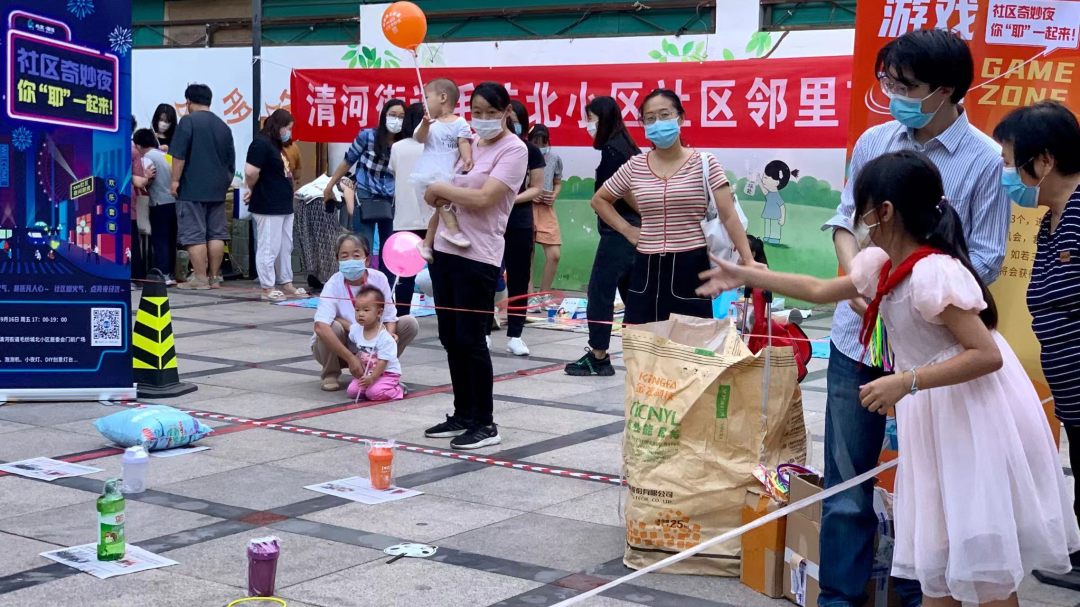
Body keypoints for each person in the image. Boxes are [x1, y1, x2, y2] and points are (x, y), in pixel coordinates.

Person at [700, 150, 1079, 607]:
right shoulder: (882, 262)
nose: (857, 221)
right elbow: (820, 290)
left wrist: (906, 381)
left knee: (982, 559)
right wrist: (748, 274)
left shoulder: (934, 272)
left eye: (862, 210)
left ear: (884, 211)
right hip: (933, 409)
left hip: (970, 413)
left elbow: (986, 355)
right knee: (937, 557)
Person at [817, 29, 1010, 607]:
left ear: (944, 90)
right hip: (857, 342)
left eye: (906, 86)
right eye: (888, 82)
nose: (893, 95)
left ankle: (918, 593)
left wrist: (903, 291)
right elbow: (846, 222)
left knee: (931, 484)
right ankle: (838, 598)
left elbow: (986, 257)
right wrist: (860, 278)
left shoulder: (983, 159)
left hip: (930, 356)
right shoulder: (874, 140)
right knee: (846, 483)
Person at [994, 100, 1080, 565]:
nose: (1007, 175)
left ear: (1044, 161)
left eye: (1011, 163)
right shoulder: (1052, 219)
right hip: (1070, 391)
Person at [420, 82, 528, 450]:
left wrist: (441, 189)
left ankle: (485, 422)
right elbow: (438, 189)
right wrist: (438, 192)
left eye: (491, 113)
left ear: (507, 112)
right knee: (450, 337)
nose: (483, 119)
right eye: (477, 112)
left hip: (478, 255)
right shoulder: (471, 144)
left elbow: (484, 198)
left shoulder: (514, 150)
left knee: (471, 339)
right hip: (445, 250)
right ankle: (463, 413)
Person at [592, 89, 753, 326]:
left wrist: (748, 260)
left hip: (691, 266)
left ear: (681, 118)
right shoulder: (635, 165)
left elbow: (728, 216)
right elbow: (599, 200)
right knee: (642, 340)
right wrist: (628, 230)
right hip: (646, 267)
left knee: (690, 342)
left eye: (664, 115)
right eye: (650, 118)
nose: (657, 123)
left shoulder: (705, 163)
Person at [565, 96, 641, 377]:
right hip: (632, 231)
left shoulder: (613, 150)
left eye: (591, 119)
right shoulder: (628, 145)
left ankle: (598, 356)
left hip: (620, 230)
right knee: (634, 296)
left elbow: (624, 190)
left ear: (604, 119)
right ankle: (643, 353)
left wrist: (642, 216)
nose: (588, 125)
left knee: (600, 291)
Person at [311, 234, 419, 392]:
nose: (350, 261)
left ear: (367, 260)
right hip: (342, 346)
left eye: (356, 256)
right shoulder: (333, 284)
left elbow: (389, 316)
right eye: (344, 256)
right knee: (332, 326)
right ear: (337, 260)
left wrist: (388, 336)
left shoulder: (379, 278)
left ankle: (380, 370)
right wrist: (350, 358)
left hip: (372, 340)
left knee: (409, 323)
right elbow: (320, 326)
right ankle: (330, 374)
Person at [323, 100, 406, 285]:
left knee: (389, 248)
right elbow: (348, 161)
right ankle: (363, 288)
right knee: (362, 245)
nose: (396, 120)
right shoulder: (367, 136)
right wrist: (330, 186)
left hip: (391, 199)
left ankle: (386, 289)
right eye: (393, 115)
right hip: (365, 196)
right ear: (384, 116)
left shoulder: (403, 143)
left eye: (401, 117)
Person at [169, 83, 236, 290]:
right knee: (216, 234)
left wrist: (175, 181)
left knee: (194, 233)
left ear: (188, 101)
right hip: (217, 189)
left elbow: (179, 156)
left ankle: (200, 278)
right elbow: (231, 163)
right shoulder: (223, 126)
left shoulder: (187, 122)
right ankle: (214, 277)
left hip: (191, 189)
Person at [499, 99, 545, 357]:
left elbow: (536, 188)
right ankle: (483, 330)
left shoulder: (531, 150)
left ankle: (515, 334)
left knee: (518, 276)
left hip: (518, 219)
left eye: (516, 120)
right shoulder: (489, 147)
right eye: (508, 119)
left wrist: (509, 199)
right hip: (490, 218)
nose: (511, 124)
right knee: (487, 275)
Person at [244, 109, 305, 301]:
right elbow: (250, 172)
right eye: (288, 128)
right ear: (279, 127)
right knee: (269, 246)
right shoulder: (260, 144)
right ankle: (268, 286)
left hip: (284, 204)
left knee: (285, 246)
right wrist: (252, 189)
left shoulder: (276, 145)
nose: (289, 132)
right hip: (268, 204)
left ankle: (286, 282)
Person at [414, 78, 475, 260]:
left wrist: (467, 157)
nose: (423, 102)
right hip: (430, 170)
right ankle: (453, 231)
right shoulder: (429, 123)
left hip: (449, 171)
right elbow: (419, 138)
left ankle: (426, 243)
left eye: (426, 97)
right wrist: (425, 125)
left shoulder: (460, 123)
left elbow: (463, 142)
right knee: (443, 203)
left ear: (442, 97)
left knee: (439, 210)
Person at [389, 102, 433, 317]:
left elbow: (396, 176)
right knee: (438, 271)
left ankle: (402, 315)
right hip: (433, 219)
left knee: (405, 274)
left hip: (404, 219)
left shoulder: (397, 147)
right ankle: (445, 316)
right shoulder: (433, 145)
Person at [346, 285, 405, 402]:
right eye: (357, 310)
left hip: (387, 373)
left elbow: (383, 362)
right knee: (352, 391)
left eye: (366, 310)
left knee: (373, 394)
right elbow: (348, 327)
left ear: (379, 313)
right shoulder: (357, 330)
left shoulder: (384, 337)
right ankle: (374, 386)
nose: (360, 314)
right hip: (368, 372)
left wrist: (372, 378)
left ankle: (398, 389)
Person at [133, 128, 177, 283]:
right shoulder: (165, 155)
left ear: (139, 145)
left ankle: (163, 273)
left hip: (158, 202)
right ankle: (171, 273)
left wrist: (144, 177)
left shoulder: (147, 158)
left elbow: (147, 181)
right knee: (171, 239)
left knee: (160, 239)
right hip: (174, 201)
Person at [528, 124, 563, 301]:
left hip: (547, 209)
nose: (540, 146)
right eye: (536, 142)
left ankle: (544, 294)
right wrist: (531, 194)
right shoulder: (523, 154)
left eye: (544, 143)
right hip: (526, 207)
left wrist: (554, 195)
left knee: (554, 254)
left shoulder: (554, 158)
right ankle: (529, 295)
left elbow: (558, 182)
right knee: (527, 254)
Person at [130, 120, 153, 283]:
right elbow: (138, 182)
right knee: (131, 237)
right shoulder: (133, 152)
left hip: (103, 197)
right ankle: (136, 276)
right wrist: (146, 176)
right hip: (126, 199)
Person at [760, 160, 797, 244]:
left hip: (776, 216)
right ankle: (767, 237)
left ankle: (774, 238)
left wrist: (782, 218)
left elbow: (782, 207)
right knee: (767, 226)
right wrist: (759, 180)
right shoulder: (769, 194)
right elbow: (764, 191)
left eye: (765, 178)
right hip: (768, 214)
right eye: (763, 177)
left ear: (777, 182)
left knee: (775, 227)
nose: (763, 180)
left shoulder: (776, 195)